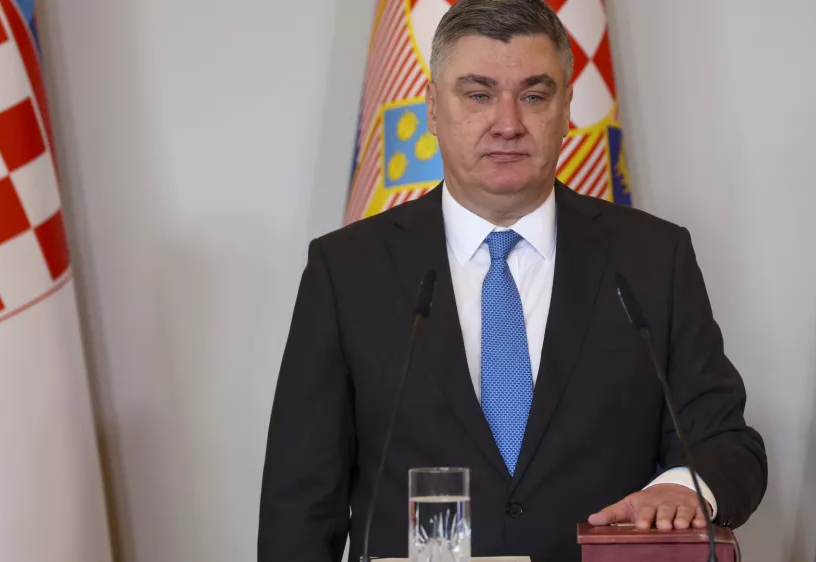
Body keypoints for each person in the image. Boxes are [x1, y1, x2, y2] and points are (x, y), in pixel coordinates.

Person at [257, 1, 767, 560]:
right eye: (478, 95)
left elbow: (726, 444)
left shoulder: (651, 258)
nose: (507, 123)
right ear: (431, 108)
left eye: (534, 95)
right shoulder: (348, 268)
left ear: (567, 108)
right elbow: (300, 500)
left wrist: (682, 486)